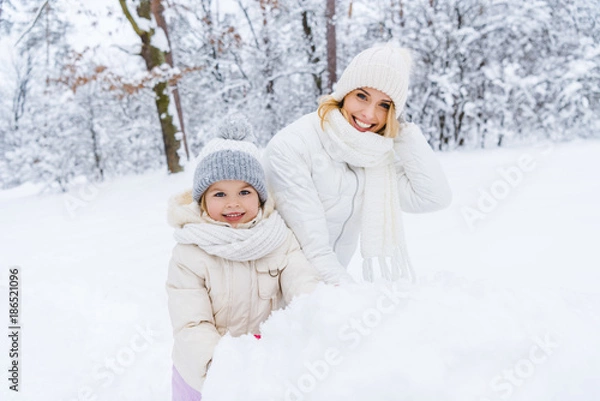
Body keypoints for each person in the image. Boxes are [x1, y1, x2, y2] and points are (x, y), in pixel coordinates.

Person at [263, 44, 452, 285]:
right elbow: (311, 249)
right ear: (345, 93)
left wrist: (403, 131)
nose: (369, 114)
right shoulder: (293, 146)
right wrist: (350, 300)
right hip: (273, 290)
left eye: (385, 106)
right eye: (362, 96)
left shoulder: (375, 156)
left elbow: (434, 197)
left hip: (323, 287)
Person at [166, 117, 320, 400]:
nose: (233, 203)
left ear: (260, 197)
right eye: (220, 193)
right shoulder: (190, 251)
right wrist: (218, 366)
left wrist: (322, 312)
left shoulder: (278, 239)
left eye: (245, 192)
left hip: (263, 366)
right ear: (202, 199)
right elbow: (191, 322)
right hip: (204, 373)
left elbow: (303, 283)